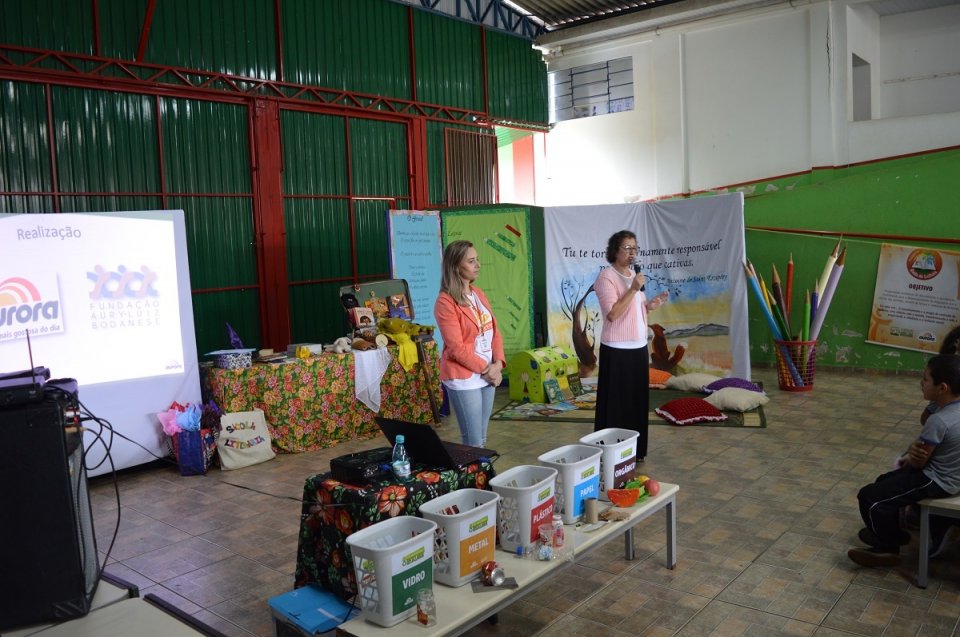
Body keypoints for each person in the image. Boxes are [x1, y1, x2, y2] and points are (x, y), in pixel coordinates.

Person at [848, 354, 960, 567]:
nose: (921, 383)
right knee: (883, 481)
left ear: (942, 388)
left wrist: (911, 450)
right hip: (952, 475)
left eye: (926, 379)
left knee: (870, 498)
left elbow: (918, 462)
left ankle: (888, 546)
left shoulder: (939, 420)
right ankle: (893, 533)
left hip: (936, 480)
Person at [592, 230, 668, 461]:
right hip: (616, 349)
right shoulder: (606, 277)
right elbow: (613, 314)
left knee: (636, 402)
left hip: (637, 347)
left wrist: (649, 305)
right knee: (616, 402)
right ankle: (611, 452)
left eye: (635, 248)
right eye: (627, 248)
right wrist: (633, 289)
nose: (632, 252)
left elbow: (634, 309)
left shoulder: (635, 274)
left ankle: (635, 452)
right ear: (615, 250)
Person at [434, 240, 505, 447]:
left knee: (481, 438)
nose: (478, 265)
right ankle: (474, 479)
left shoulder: (479, 294)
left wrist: (498, 364)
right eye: (471, 261)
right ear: (456, 266)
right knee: (473, 441)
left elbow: (495, 332)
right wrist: (487, 369)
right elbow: (456, 348)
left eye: (477, 260)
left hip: (488, 374)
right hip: (465, 378)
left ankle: (480, 477)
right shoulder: (445, 301)